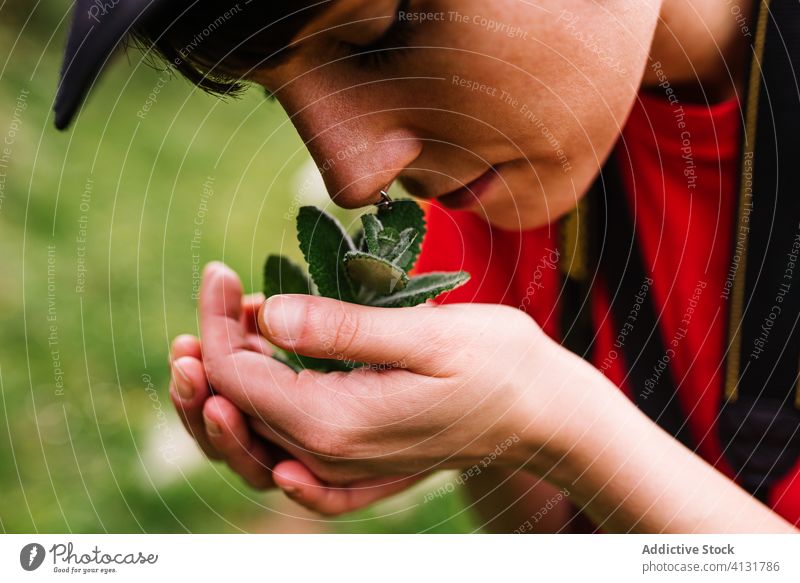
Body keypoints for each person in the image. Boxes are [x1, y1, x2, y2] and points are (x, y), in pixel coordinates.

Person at [55, 0, 800, 532]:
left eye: (376, 39)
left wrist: (558, 420)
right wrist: (480, 436)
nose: (355, 175)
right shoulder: (511, 186)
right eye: (276, 93)